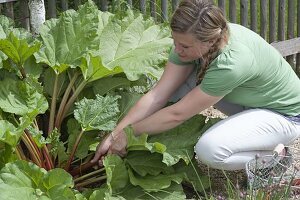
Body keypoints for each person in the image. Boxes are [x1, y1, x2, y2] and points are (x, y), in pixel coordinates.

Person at [91, 0, 300, 171]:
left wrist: (127, 135)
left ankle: (274, 157)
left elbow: (177, 114)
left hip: (283, 115)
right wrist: (114, 134)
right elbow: (158, 94)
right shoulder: (194, 40)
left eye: (184, 46)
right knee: (176, 86)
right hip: (247, 100)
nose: (177, 50)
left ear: (210, 41)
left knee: (210, 150)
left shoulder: (232, 63)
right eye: (175, 42)